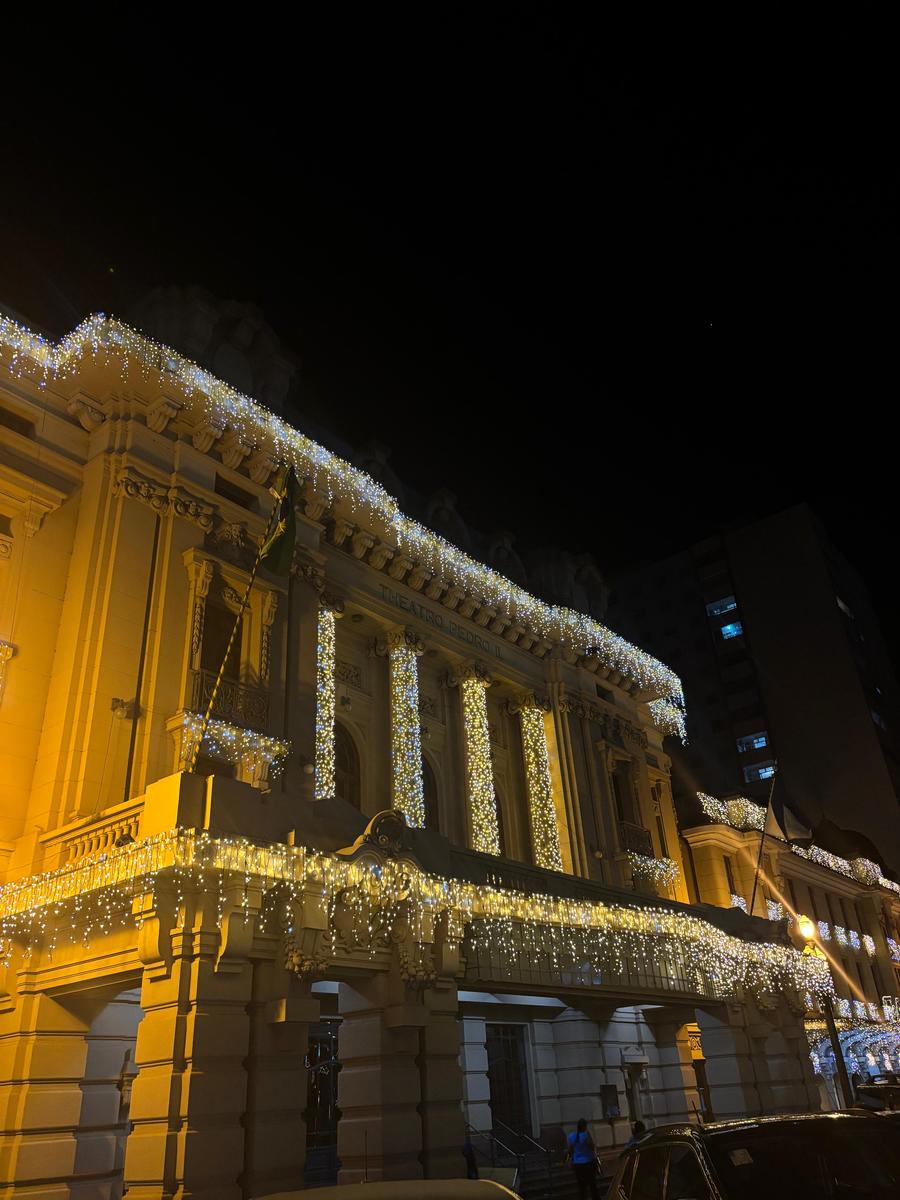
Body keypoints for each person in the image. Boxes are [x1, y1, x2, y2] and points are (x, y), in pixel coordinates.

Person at [566, 1117, 600, 1200]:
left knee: (582, 1187)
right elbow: (592, 1147)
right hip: (589, 1162)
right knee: (592, 1185)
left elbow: (570, 1151)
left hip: (577, 1164)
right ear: (585, 1126)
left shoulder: (571, 1136)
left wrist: (569, 1160)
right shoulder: (586, 1135)